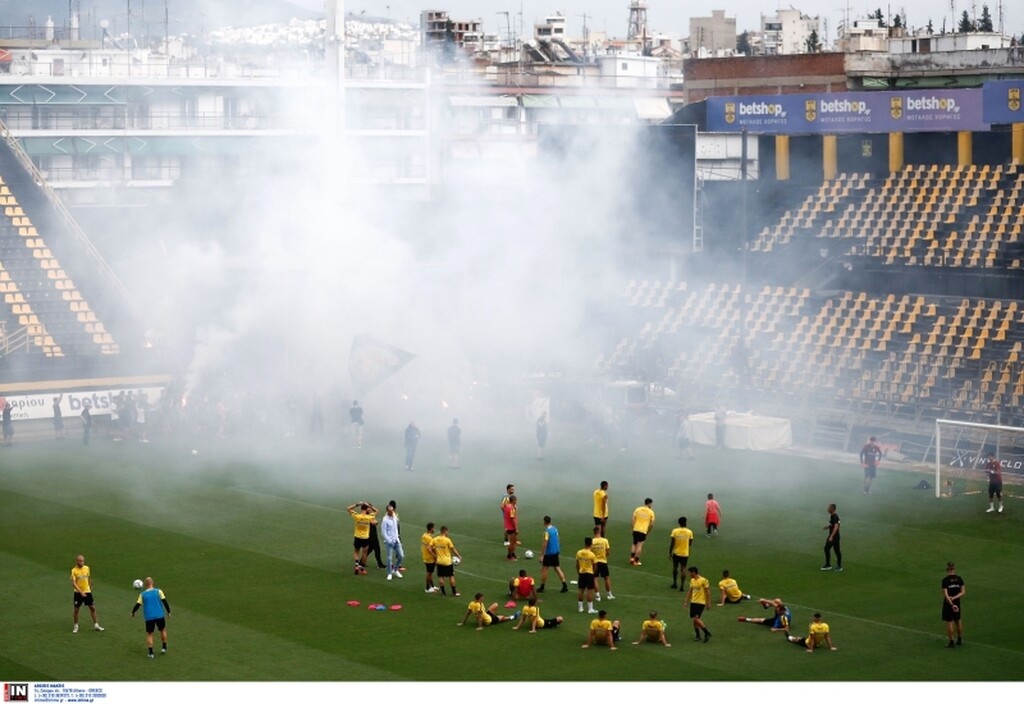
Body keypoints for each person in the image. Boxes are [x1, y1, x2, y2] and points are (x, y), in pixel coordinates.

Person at [131, 577, 170, 658]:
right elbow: (164, 601)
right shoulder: (158, 591)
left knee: (149, 634)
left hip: (149, 617)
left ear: (145, 584)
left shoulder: (142, 595)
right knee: (162, 630)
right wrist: (168, 611)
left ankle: (151, 653)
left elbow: (138, 605)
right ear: (152, 583)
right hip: (159, 615)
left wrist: (133, 612)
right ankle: (164, 648)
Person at [70, 554, 104, 633]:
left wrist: (90, 587)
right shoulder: (74, 571)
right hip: (78, 593)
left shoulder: (87, 568)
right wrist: (81, 592)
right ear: (77, 561)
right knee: (76, 610)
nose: (82, 563)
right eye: (80, 561)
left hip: (87, 592)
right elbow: (74, 583)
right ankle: (76, 626)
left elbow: (88, 578)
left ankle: (96, 625)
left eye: (83, 561)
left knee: (92, 608)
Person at [537, 515, 568, 593]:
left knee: (544, 569)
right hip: (555, 551)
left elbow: (545, 543)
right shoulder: (555, 529)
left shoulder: (547, 532)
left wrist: (542, 555)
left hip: (549, 553)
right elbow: (557, 539)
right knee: (557, 568)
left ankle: (542, 587)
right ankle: (564, 585)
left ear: (544, 522)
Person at [682, 566, 712, 642]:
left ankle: (707, 633)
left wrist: (708, 603)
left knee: (696, 619)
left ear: (694, 572)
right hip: (693, 602)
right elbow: (690, 591)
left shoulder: (703, 580)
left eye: (690, 573)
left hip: (700, 602)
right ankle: (698, 635)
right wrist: (686, 601)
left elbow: (708, 592)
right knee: (694, 620)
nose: (689, 574)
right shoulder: (692, 580)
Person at [347, 501, 377, 574]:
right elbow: (376, 511)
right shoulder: (369, 517)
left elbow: (349, 509)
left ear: (361, 509)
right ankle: (362, 568)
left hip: (357, 536)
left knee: (356, 551)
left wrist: (357, 504)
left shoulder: (357, 516)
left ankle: (356, 565)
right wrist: (370, 506)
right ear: (367, 509)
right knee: (365, 553)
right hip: (365, 537)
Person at [431, 525, 461, 597]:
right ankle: (454, 592)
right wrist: (459, 556)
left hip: (439, 561)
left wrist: (434, 555)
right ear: (446, 531)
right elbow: (453, 549)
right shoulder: (447, 540)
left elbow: (429, 547)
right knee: (451, 576)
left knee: (441, 577)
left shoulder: (435, 539)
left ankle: (443, 593)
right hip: (447, 561)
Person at [942, 561, 966, 648]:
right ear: (954, 569)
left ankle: (951, 642)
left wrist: (951, 603)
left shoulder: (945, 580)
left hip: (949, 603)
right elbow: (963, 592)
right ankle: (959, 639)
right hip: (957, 603)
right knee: (958, 620)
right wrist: (955, 598)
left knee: (949, 622)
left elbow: (946, 594)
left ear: (947, 570)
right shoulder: (959, 579)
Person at [668, 516, 693, 589]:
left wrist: (670, 552)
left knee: (675, 567)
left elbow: (672, 543)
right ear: (686, 523)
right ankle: (682, 586)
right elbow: (690, 543)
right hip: (685, 553)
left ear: (679, 523)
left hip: (676, 552)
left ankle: (675, 583)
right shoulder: (689, 532)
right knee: (683, 568)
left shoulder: (675, 531)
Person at [591, 525, 615, 601]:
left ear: (594, 533)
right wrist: (604, 556)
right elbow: (608, 552)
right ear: (600, 532)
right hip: (603, 561)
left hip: (595, 562)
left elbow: (590, 552)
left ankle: (598, 596)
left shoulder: (592, 541)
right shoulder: (605, 541)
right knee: (606, 578)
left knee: (595, 579)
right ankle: (609, 594)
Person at [576, 536, 598, 614]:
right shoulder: (592, 555)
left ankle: (580, 608)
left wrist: (579, 572)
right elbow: (595, 566)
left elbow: (577, 564)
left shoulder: (579, 553)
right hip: (589, 574)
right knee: (589, 591)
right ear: (591, 544)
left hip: (581, 573)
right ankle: (590, 609)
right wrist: (593, 573)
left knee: (581, 590)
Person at [381, 503, 404, 580]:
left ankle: (395, 569)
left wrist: (397, 537)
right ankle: (389, 573)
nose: (391, 512)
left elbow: (396, 528)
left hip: (396, 540)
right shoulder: (385, 520)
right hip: (389, 541)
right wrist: (389, 540)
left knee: (401, 556)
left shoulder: (395, 516)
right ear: (387, 511)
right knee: (389, 558)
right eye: (390, 511)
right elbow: (383, 532)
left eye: (392, 510)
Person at [630, 497, 655, 566]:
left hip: (636, 529)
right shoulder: (651, 512)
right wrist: (648, 530)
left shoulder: (638, 509)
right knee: (640, 545)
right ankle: (636, 560)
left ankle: (632, 558)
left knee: (634, 543)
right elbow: (652, 524)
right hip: (643, 530)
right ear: (649, 504)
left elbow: (633, 519)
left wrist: (633, 528)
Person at [821, 503, 842, 572]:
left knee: (833, 550)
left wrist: (831, 536)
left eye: (829, 508)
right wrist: (828, 526)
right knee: (830, 549)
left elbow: (836, 527)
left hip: (834, 537)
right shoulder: (833, 516)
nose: (827, 509)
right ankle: (834, 565)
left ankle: (832, 565)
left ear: (832, 509)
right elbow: (835, 524)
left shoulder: (834, 516)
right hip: (835, 536)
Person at [421, 523, 438, 593]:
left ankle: (432, 586)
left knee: (430, 572)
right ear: (431, 528)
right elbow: (430, 548)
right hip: (430, 558)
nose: (434, 529)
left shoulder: (424, 535)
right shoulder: (429, 538)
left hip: (426, 556)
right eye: (433, 528)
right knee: (429, 573)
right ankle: (427, 588)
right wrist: (435, 556)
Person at [502, 494, 519, 560]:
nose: (516, 501)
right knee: (512, 543)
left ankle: (513, 554)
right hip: (511, 527)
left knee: (514, 542)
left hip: (508, 526)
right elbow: (512, 519)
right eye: (516, 500)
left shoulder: (507, 506)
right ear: (513, 500)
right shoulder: (511, 508)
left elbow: (503, 508)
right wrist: (516, 528)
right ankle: (509, 556)